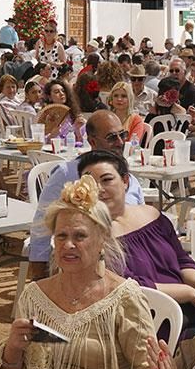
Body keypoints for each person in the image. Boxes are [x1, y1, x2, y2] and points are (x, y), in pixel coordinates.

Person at [0, 174, 156, 369]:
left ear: (102, 239)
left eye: (80, 236)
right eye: (61, 236)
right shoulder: (34, 296)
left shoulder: (124, 299)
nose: (68, 245)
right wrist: (13, 350)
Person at [78, 150, 195, 325]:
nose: (99, 189)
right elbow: (130, 287)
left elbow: (182, 260)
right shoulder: (92, 236)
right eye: (91, 184)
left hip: (191, 302)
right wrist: (189, 293)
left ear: (125, 181)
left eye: (107, 180)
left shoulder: (151, 214)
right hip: (146, 317)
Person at [28, 111, 143, 278]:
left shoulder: (131, 180)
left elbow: (142, 224)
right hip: (87, 269)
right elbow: (42, 224)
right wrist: (39, 274)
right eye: (112, 137)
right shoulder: (66, 174)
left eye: (123, 135)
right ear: (93, 141)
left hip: (134, 263)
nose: (120, 142)